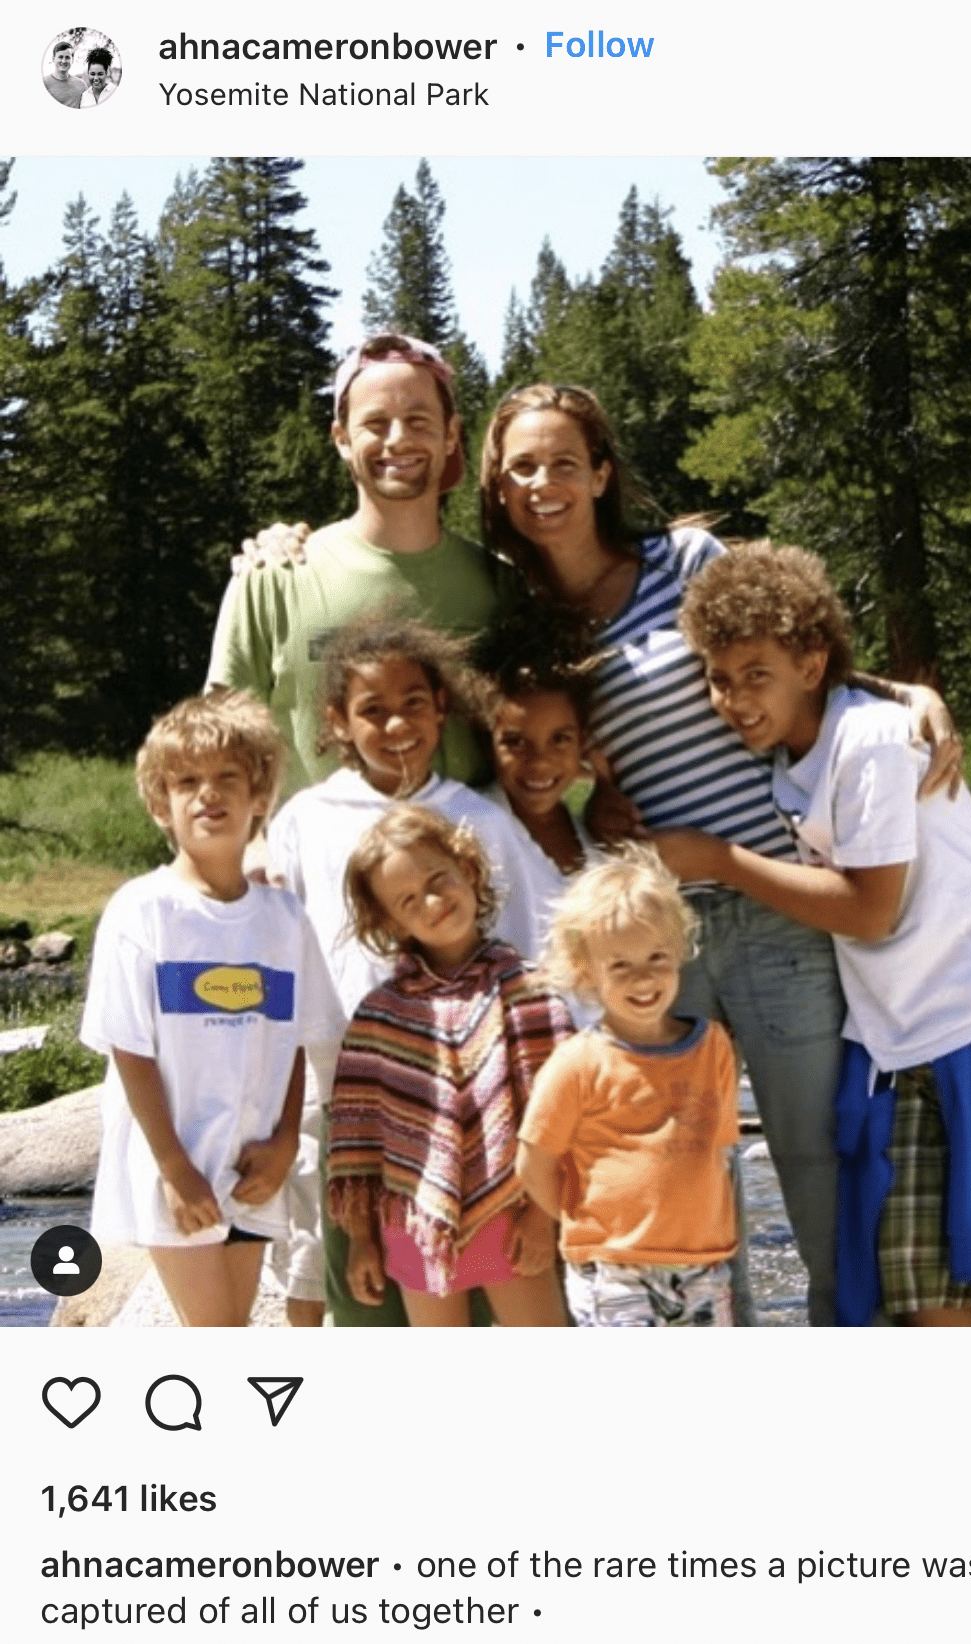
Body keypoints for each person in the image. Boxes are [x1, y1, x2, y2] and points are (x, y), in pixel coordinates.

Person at [479, 383, 961, 1326]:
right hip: (666, 932)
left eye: (565, 463)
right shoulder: (528, 621)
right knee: (684, 1168)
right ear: (497, 487)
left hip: (783, 907)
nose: (545, 484)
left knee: (813, 1159)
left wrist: (900, 691)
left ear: (603, 473)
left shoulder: (684, 559)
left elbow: (782, 648)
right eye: (522, 468)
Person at [655, 540, 971, 1326]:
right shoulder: (795, 747)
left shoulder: (869, 742)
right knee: (912, 1281)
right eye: (720, 679)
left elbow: (873, 909)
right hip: (899, 1032)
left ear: (811, 664)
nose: (734, 699)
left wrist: (718, 861)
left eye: (755, 676)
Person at [266, 610, 542, 1326]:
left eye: (413, 704)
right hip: (352, 1071)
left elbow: (542, 930)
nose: (396, 726)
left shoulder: (476, 815)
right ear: (336, 720)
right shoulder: (305, 819)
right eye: (373, 711)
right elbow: (275, 944)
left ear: (442, 705)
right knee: (370, 1280)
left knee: (499, 1267)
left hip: (480, 1080)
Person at [80, 692, 346, 1327]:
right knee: (217, 1337)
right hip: (172, 1163)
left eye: (229, 778)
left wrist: (285, 1141)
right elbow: (129, 1049)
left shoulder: (283, 920)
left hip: (249, 1164)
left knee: (233, 1331)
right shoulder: (142, 911)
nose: (209, 794)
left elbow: (294, 1047)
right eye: (188, 782)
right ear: (159, 805)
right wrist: (175, 1168)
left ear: (259, 798)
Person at [208, 332, 514, 797]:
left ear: (450, 434)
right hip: (311, 869)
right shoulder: (275, 577)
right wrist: (250, 848)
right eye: (376, 423)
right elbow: (219, 742)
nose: (398, 440)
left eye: (418, 420)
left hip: (472, 863)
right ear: (341, 438)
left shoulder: (499, 584)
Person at [327, 805, 573, 1326]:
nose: (433, 902)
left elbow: (564, 1118)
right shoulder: (381, 1016)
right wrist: (362, 1241)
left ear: (468, 866)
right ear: (391, 921)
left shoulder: (529, 992)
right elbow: (359, 1141)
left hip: (513, 1212)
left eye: (438, 880)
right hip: (417, 1220)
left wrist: (542, 1216)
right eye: (408, 901)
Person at [517, 849, 739, 1327]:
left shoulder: (713, 1046)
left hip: (704, 1265)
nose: (644, 977)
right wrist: (586, 1221)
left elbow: (719, 1150)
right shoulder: (577, 1062)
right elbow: (533, 1161)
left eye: (657, 957)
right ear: (586, 973)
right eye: (620, 966)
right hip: (614, 1269)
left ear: (679, 952)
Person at [468, 607, 606, 955]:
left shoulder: (598, 833)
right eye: (515, 742)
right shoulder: (469, 830)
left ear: (582, 741)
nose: (540, 762)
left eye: (559, 739)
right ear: (487, 744)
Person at [43, 38, 85, 108]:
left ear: (72, 60)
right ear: (53, 59)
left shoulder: (81, 85)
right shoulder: (45, 83)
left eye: (67, 57)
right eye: (60, 57)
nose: (64, 61)